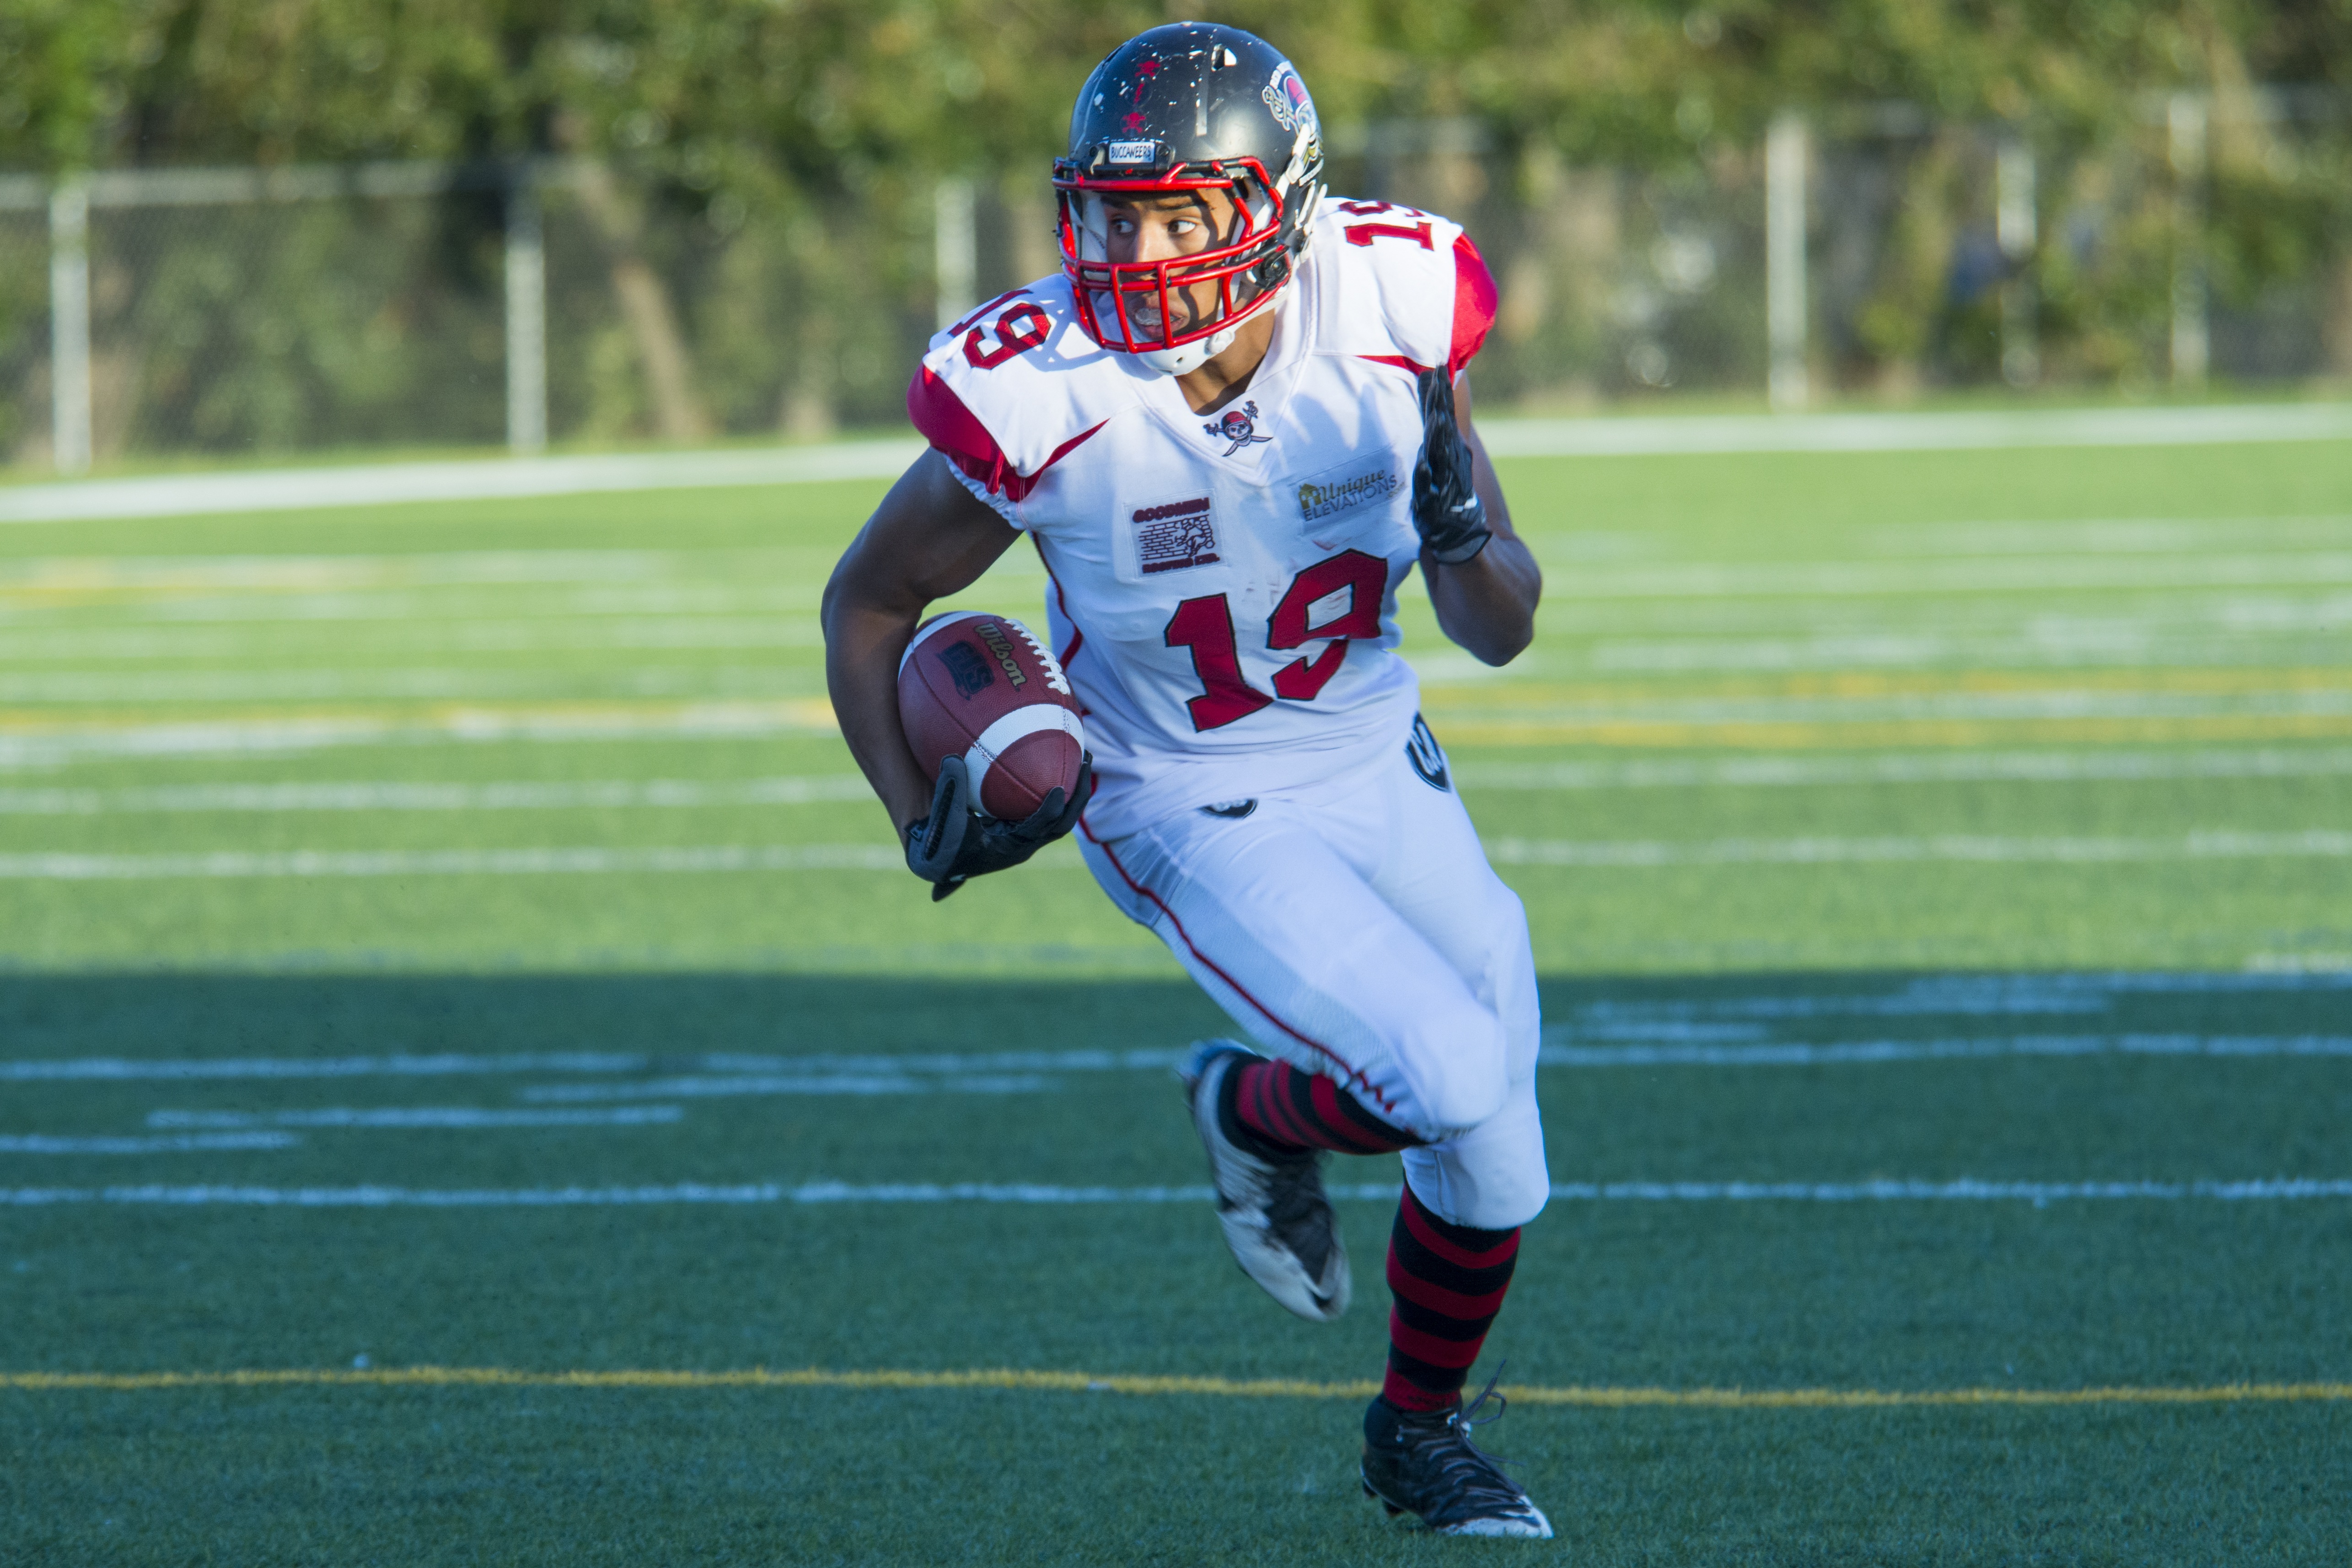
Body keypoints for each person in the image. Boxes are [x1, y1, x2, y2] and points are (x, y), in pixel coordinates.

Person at [821, 21, 1551, 1539]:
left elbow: (1500, 629)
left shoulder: (1396, 305)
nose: (1139, 251)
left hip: (1371, 744)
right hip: (1176, 790)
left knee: (1501, 1165)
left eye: (1181, 215)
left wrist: (1465, 532)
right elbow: (867, 605)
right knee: (1449, 1075)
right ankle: (1271, 1117)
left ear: (1278, 206)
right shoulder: (1046, 388)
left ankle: (1412, 1426)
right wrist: (917, 821)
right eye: (1115, 212)